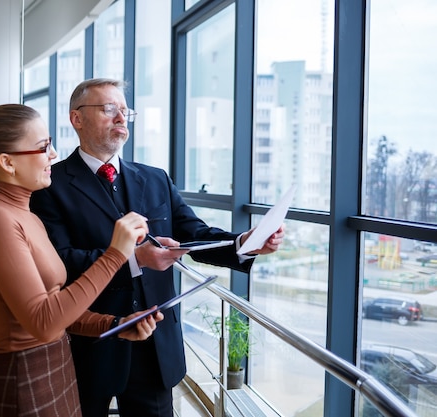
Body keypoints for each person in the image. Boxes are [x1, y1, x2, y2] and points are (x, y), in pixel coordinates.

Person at [30, 79, 285, 417]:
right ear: (77, 119)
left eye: (125, 111)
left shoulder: (154, 178)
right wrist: (134, 259)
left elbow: (193, 233)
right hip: (90, 342)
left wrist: (244, 243)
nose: (121, 118)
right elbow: (62, 261)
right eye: (109, 109)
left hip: (155, 342)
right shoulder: (50, 185)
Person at [0, 103, 164, 417]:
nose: (53, 155)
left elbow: (55, 307)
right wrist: (117, 253)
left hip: (55, 367)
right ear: (7, 162)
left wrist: (113, 324)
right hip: (21, 379)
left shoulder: (25, 215)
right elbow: (43, 321)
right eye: (43, 147)